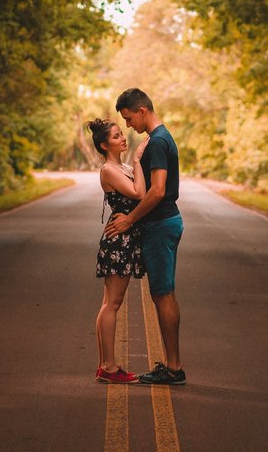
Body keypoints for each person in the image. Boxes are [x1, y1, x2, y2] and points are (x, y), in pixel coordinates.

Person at [105, 88, 185, 386]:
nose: (128, 126)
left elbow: (158, 190)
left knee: (163, 293)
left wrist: (129, 219)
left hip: (161, 224)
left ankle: (174, 368)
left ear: (142, 110)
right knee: (162, 293)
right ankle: (172, 364)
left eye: (128, 119)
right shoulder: (159, 139)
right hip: (163, 223)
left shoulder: (159, 142)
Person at [89, 117, 147, 384]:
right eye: (115, 136)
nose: (123, 138)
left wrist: (133, 163)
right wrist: (137, 161)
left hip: (124, 237)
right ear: (104, 145)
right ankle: (109, 367)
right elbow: (139, 193)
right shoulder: (110, 170)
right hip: (118, 241)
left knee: (109, 303)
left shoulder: (120, 166)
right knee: (112, 303)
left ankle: (105, 366)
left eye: (121, 133)